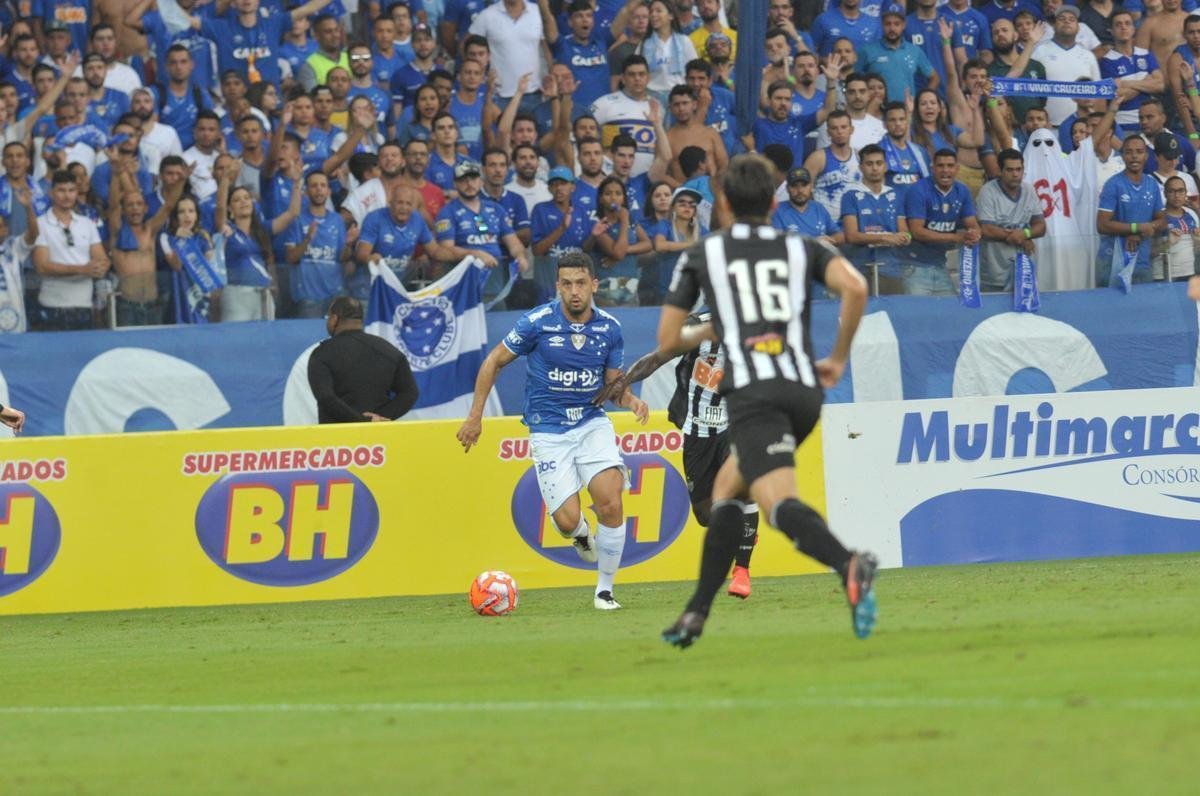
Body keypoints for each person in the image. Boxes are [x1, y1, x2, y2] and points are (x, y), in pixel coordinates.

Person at [658, 153, 877, 648]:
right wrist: (838, 357)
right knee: (728, 493)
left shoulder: (705, 254)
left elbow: (670, 338)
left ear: (726, 203)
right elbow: (857, 287)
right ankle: (695, 613)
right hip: (802, 390)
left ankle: (849, 564)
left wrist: (722, 327)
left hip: (756, 395)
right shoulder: (801, 247)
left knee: (776, 503)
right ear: (775, 200)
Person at [456, 250, 650, 610]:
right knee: (567, 520)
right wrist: (475, 417)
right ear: (557, 286)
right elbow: (493, 361)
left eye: (580, 283)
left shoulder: (609, 328)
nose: (574, 291)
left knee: (610, 501)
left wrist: (631, 400)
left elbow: (613, 387)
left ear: (594, 284)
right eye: (566, 284)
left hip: (591, 424)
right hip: (548, 430)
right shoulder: (537, 322)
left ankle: (604, 590)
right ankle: (577, 535)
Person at [594, 309, 760, 599]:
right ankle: (743, 532)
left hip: (737, 422)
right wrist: (622, 382)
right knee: (706, 515)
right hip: (697, 431)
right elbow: (656, 358)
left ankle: (742, 570)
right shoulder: (698, 328)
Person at [307, 296, 420, 423]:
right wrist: (379, 417)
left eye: (327, 318)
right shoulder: (389, 351)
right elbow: (409, 393)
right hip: (379, 437)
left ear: (334, 319)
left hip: (337, 438)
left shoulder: (321, 354)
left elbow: (326, 397)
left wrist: (360, 421)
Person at [32, 170, 109, 331]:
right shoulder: (40, 224)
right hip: (52, 305)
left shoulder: (87, 223)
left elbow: (101, 258)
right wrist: (83, 269)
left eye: (71, 190)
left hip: (84, 305)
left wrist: (101, 266)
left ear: (76, 192)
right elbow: (42, 266)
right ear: (51, 193)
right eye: (61, 190)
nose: (67, 196)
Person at [976, 148, 1047, 292]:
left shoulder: (1029, 190)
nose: (1015, 174)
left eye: (1018, 169)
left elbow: (1041, 226)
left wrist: (1025, 234)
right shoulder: (987, 192)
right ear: (1000, 170)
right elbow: (987, 230)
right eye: (1009, 170)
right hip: (994, 272)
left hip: (1023, 271)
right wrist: (1020, 237)